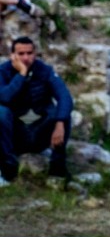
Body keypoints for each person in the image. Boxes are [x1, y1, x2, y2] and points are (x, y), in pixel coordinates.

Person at [0, 36, 73, 185]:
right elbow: (4, 97)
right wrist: (21, 74)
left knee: (62, 113)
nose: (26, 57)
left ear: (35, 53)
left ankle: (57, 169)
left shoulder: (44, 70)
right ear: (12, 55)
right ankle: (8, 165)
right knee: (1, 112)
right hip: (15, 135)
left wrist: (59, 124)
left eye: (29, 53)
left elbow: (65, 96)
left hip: (39, 131)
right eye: (21, 54)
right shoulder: (3, 71)